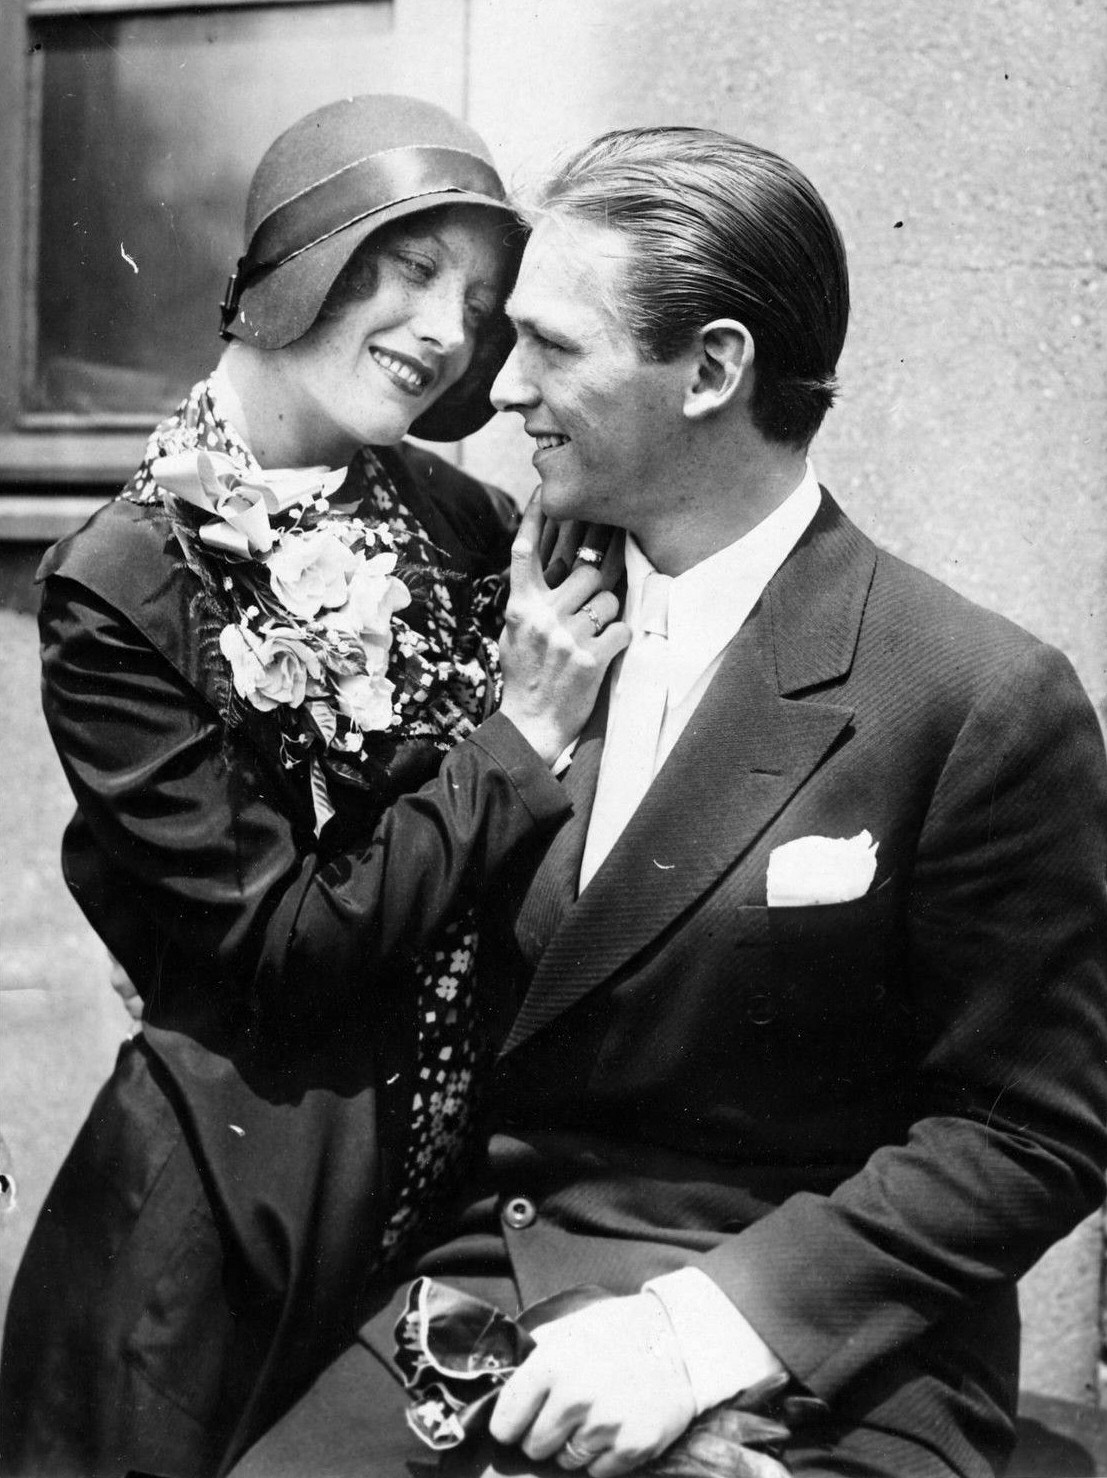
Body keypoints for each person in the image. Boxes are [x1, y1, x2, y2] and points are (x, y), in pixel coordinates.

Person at [229, 126, 1107, 1478]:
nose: (500, 386)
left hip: (824, 1347)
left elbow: (1035, 1125)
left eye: (554, 348)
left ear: (712, 369)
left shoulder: (972, 694)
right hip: (496, 1291)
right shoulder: (508, 621)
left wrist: (694, 1341)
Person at [0, 96, 629, 1478]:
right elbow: (287, 946)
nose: (445, 331)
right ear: (302, 258)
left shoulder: (466, 524)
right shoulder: (120, 586)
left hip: (439, 1217)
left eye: (475, 302)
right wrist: (515, 738)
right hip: (222, 1232)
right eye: (408, 268)